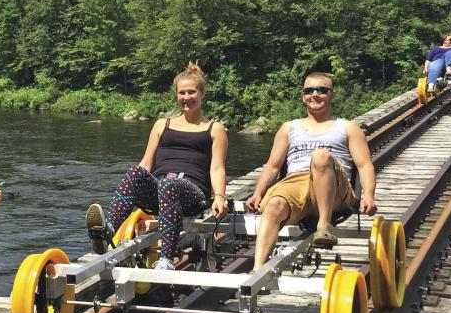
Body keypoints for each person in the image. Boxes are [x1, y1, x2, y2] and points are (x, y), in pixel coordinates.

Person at [85, 62, 229, 271]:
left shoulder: (214, 129)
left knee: (170, 184)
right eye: (182, 93)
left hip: (192, 194)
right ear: (176, 95)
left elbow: (217, 168)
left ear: (202, 93)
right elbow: (146, 163)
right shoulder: (162, 125)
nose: (186, 97)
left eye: (191, 92)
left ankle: (166, 259)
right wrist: (137, 180)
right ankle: (107, 230)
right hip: (160, 190)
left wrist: (220, 197)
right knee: (136, 171)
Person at [244, 73, 377, 267]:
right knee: (273, 205)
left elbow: (364, 165)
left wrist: (368, 195)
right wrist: (257, 193)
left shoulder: (347, 127)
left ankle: (324, 226)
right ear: (302, 96)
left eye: (322, 90)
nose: (315, 94)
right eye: (309, 91)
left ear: (332, 95)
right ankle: (258, 274)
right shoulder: (289, 128)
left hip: (335, 189)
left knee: (320, 157)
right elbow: (273, 166)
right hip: (297, 185)